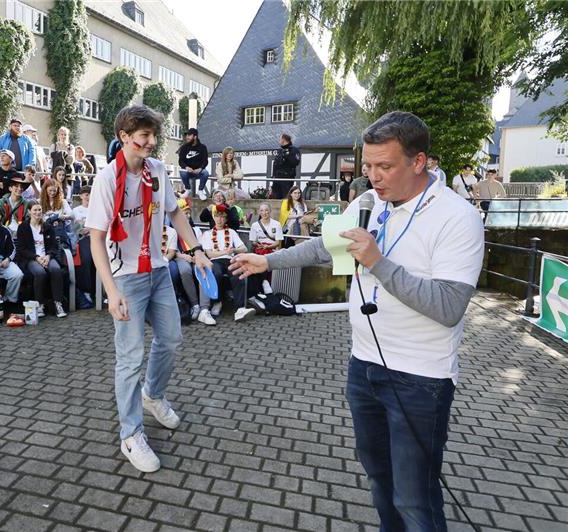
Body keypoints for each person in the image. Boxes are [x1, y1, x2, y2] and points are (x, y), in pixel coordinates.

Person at [230, 111, 485, 531]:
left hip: (420, 379)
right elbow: (324, 247)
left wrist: (378, 262)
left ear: (419, 162)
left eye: (384, 166)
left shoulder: (457, 216)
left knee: (414, 500)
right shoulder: (369, 203)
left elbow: (448, 306)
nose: (372, 177)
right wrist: (267, 261)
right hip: (363, 367)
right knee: (379, 481)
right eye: (368, 165)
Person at [86, 105, 213, 473]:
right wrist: (111, 291)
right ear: (125, 137)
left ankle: (152, 395)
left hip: (157, 270)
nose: (152, 142)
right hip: (125, 277)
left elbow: (174, 213)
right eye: (144, 136)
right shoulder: (107, 179)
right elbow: (96, 240)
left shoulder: (157, 170)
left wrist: (196, 249)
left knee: (171, 338)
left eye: (154, 135)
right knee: (130, 358)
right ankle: (130, 434)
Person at [200, 204, 254, 323]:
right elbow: (209, 254)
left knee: (237, 273)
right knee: (216, 273)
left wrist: (233, 250)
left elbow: (244, 248)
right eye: (217, 216)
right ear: (214, 217)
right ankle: (217, 302)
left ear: (226, 219)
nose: (219, 220)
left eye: (222, 217)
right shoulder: (208, 234)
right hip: (215, 260)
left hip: (230, 259)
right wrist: (224, 251)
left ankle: (240, 308)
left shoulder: (231, 232)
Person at [16, 201, 68, 318]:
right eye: (35, 210)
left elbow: (54, 246)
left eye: (39, 210)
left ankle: (58, 303)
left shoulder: (47, 227)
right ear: (29, 211)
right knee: (40, 273)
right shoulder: (23, 227)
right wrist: (36, 258)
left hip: (47, 257)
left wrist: (48, 256)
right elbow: (22, 249)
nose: (37, 212)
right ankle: (40, 304)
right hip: (31, 259)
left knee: (56, 269)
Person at [41, 177, 75, 251]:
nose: (52, 193)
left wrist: (64, 216)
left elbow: (72, 215)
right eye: (50, 190)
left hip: (60, 232)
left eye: (54, 191)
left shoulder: (63, 202)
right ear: (45, 190)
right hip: (45, 232)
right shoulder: (39, 202)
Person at [178, 127, 210, 199]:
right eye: (187, 135)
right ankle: (187, 189)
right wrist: (186, 167)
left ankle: (200, 191)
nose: (187, 137)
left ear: (195, 137)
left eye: (189, 135)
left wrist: (200, 168)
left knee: (205, 173)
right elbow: (181, 161)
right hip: (188, 171)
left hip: (198, 171)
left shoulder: (202, 147)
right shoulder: (184, 147)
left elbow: (205, 161)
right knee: (182, 171)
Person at [271, 133, 300, 200]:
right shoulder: (280, 150)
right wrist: (273, 176)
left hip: (287, 179)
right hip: (277, 179)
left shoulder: (294, 150)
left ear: (283, 140)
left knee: (286, 198)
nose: (279, 141)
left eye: (280, 139)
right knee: (276, 197)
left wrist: (287, 156)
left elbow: (296, 162)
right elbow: (276, 164)